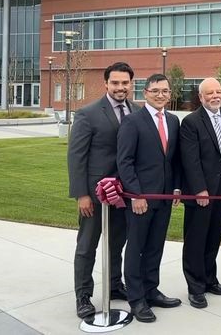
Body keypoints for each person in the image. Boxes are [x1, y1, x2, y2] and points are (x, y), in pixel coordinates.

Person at [68, 61, 134, 319]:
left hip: (123, 195)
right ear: (106, 84)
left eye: (125, 83)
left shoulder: (136, 111)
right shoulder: (88, 113)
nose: (120, 87)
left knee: (117, 243)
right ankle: (83, 295)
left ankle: (115, 285)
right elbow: (76, 156)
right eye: (115, 83)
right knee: (87, 246)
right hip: (94, 195)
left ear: (131, 84)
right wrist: (82, 194)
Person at [117, 74, 182, 323]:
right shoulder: (133, 121)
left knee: (155, 247)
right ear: (145, 93)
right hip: (141, 199)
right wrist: (135, 194)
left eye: (165, 91)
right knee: (136, 249)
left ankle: (151, 290)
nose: (161, 95)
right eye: (155, 90)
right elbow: (125, 161)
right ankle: (136, 299)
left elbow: (174, 160)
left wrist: (176, 188)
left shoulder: (174, 121)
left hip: (164, 198)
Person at [178, 78, 221, 309]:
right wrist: (200, 189)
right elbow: (190, 160)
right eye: (210, 93)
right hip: (201, 191)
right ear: (201, 97)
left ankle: (210, 279)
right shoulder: (191, 122)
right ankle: (196, 287)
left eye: (218, 91)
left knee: (214, 237)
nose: (215, 96)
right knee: (196, 240)